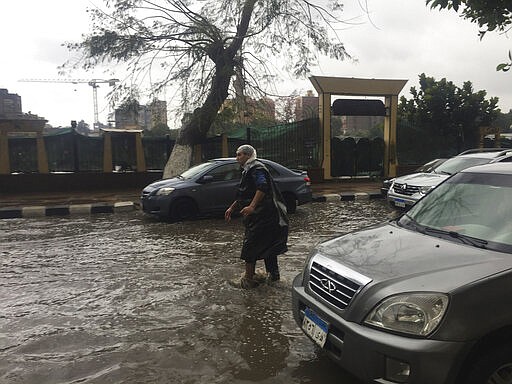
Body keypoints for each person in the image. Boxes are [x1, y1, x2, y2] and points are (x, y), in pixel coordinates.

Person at [225, 144, 289, 289]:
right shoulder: (248, 170)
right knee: (268, 246)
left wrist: (252, 206)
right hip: (261, 216)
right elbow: (243, 194)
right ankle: (274, 279)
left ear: (248, 156)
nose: (237, 158)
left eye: (239, 155)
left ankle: (248, 280)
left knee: (250, 246)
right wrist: (232, 208)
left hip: (264, 216)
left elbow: (262, 187)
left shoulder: (256, 168)